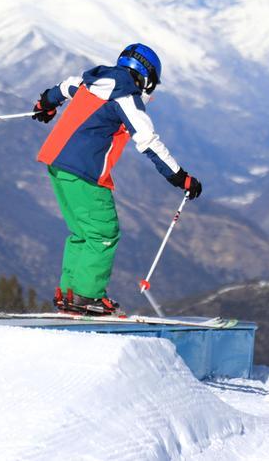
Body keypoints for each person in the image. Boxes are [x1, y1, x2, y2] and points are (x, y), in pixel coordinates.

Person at [31, 43, 203, 316]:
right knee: (103, 233)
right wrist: (181, 177)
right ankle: (87, 296)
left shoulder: (92, 81)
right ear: (145, 78)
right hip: (84, 171)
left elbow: (64, 88)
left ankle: (70, 294)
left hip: (56, 163)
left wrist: (45, 104)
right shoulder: (125, 97)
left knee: (83, 233)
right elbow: (148, 141)